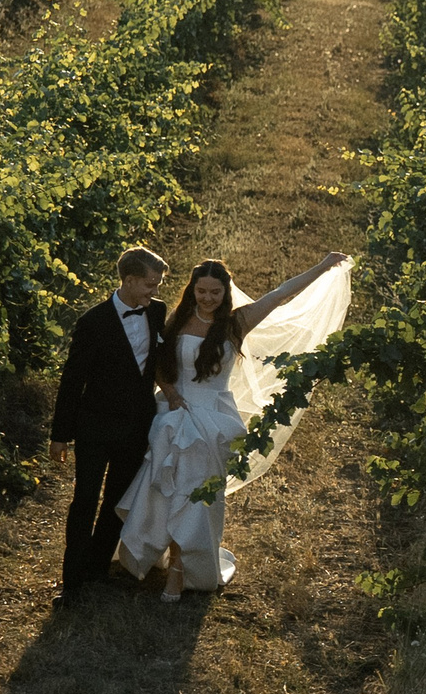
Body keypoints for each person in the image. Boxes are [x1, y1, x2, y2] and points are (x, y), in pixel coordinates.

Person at [114, 251, 352, 596]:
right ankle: (159, 553)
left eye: (215, 292)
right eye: (201, 292)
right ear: (191, 290)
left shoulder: (236, 324)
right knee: (164, 489)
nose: (208, 299)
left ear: (226, 293)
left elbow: (280, 294)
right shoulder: (176, 319)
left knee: (195, 494)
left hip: (212, 419)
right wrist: (169, 392)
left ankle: (180, 569)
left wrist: (323, 265)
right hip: (173, 414)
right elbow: (159, 366)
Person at [47, 247, 169, 606]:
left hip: (136, 427)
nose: (155, 291)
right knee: (84, 499)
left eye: (158, 284)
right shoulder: (92, 322)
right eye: (150, 284)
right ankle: (71, 583)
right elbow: (72, 382)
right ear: (129, 280)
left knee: (117, 501)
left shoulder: (158, 313)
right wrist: (60, 435)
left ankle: (97, 567)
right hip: (94, 427)